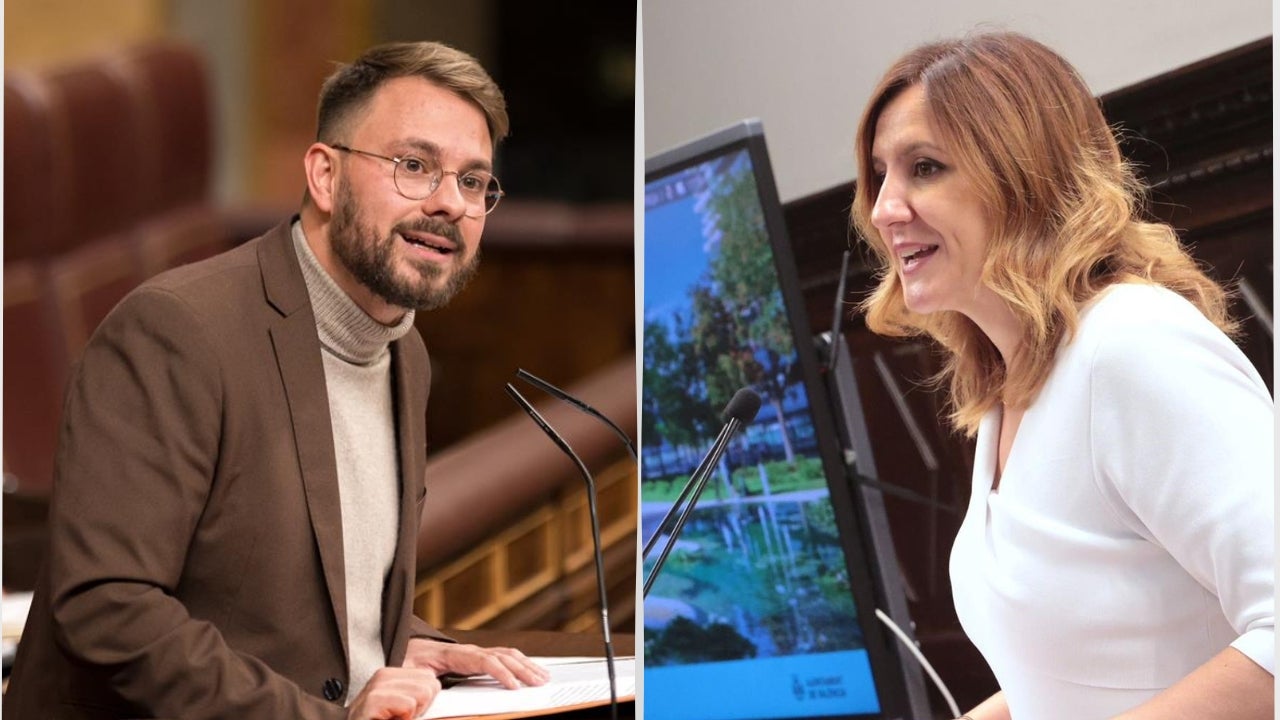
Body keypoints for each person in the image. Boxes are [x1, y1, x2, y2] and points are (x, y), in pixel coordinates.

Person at [4, 41, 551, 720]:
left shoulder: (404, 353)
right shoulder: (176, 333)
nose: (449, 203)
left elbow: (275, 594)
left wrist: (402, 644)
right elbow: (108, 609)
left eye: (473, 182)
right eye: (414, 166)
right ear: (324, 176)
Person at [850, 31, 1273, 719]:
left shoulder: (1133, 344)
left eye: (924, 167)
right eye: (880, 174)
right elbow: (1074, 673)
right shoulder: (1009, 387)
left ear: (1022, 177)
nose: (883, 208)